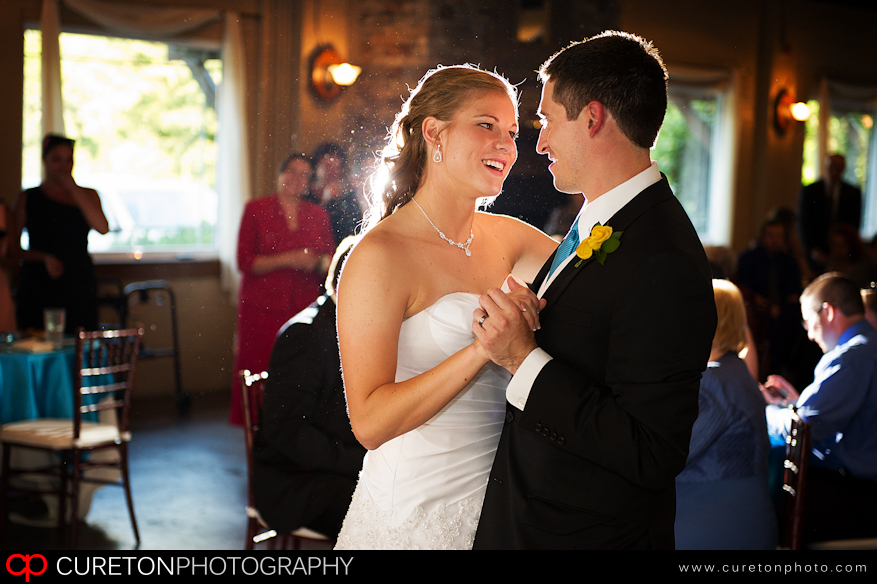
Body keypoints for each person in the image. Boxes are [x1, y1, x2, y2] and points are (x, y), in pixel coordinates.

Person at [471, 31, 717, 550]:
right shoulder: (596, 221)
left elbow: (651, 451)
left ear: (592, 117)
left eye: (545, 122)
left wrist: (523, 358)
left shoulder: (662, 256)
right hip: (528, 516)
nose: (538, 143)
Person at [333, 65, 558, 549]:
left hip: (502, 508)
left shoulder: (509, 237)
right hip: (414, 516)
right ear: (434, 132)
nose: (507, 144)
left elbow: (598, 276)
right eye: (486, 125)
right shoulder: (380, 255)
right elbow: (369, 424)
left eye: (513, 132)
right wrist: (484, 347)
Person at [252, 236, 366, 538]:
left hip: (328, 466)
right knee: (382, 506)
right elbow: (290, 433)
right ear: (345, 283)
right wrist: (361, 462)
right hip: (295, 483)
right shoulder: (305, 335)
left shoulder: (352, 326)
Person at [762, 272, 877, 543]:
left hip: (854, 494)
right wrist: (794, 404)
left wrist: (764, 411)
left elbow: (804, 430)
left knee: (757, 520)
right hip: (859, 490)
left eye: (807, 320)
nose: (809, 333)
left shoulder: (850, 357)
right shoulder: (867, 348)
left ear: (827, 312)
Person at [231, 153, 334, 426]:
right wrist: (289, 259)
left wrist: (316, 263)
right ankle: (257, 433)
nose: (296, 179)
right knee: (260, 371)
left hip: (303, 307)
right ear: (279, 174)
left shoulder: (319, 215)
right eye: (291, 171)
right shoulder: (256, 209)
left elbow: (330, 262)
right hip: (261, 308)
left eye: (303, 174)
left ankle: (295, 433)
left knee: (299, 375)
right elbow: (244, 262)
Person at [675, 279, 777, 550]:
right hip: (736, 514)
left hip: (715, 520)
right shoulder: (733, 370)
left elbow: (670, 455)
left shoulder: (715, 381)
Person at [13, 134, 109, 333]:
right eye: (57, 159)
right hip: (40, 284)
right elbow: (12, 248)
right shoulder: (28, 197)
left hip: (77, 283)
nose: (63, 166)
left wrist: (72, 187)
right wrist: (43, 258)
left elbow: (102, 228)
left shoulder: (88, 194)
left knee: (79, 346)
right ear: (44, 160)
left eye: (68, 160)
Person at [736, 219, 802, 380]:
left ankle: (780, 366)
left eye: (778, 236)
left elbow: (793, 293)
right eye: (770, 235)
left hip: (782, 311)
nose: (774, 240)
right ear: (763, 236)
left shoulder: (790, 262)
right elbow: (745, 289)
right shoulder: (748, 258)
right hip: (757, 308)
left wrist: (781, 308)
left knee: (792, 316)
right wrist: (767, 305)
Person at [798, 153, 862, 273]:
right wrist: (814, 249)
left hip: (843, 255)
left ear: (843, 169)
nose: (834, 171)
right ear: (825, 167)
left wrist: (842, 249)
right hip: (816, 253)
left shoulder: (853, 193)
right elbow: (804, 222)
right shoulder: (811, 191)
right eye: (832, 166)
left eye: (838, 167)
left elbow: (854, 224)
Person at [310, 143, 363, 246]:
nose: (332, 171)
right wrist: (325, 201)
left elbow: (354, 232)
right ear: (316, 167)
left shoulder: (348, 198)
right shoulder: (305, 196)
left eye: (337, 166)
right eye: (327, 165)